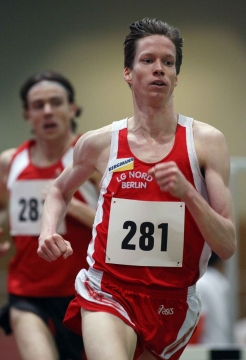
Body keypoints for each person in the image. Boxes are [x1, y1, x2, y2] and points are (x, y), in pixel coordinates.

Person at [37, 18, 236, 360]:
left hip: (172, 301)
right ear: (128, 72)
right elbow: (57, 190)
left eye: (168, 62)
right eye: (148, 60)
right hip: (108, 290)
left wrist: (189, 194)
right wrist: (47, 231)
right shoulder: (99, 143)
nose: (159, 69)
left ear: (176, 76)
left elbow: (228, 244)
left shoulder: (206, 143)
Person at [0, 70, 100, 360]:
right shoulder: (10, 163)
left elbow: (116, 225)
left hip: (86, 293)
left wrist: (66, 201)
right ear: (27, 114)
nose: (47, 111)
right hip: (28, 292)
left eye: (56, 102)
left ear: (72, 109)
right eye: (38, 105)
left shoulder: (92, 160)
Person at [189, 252, 231, 344]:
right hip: (223, 345)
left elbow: (197, 322)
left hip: (204, 349)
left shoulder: (200, 283)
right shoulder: (222, 281)